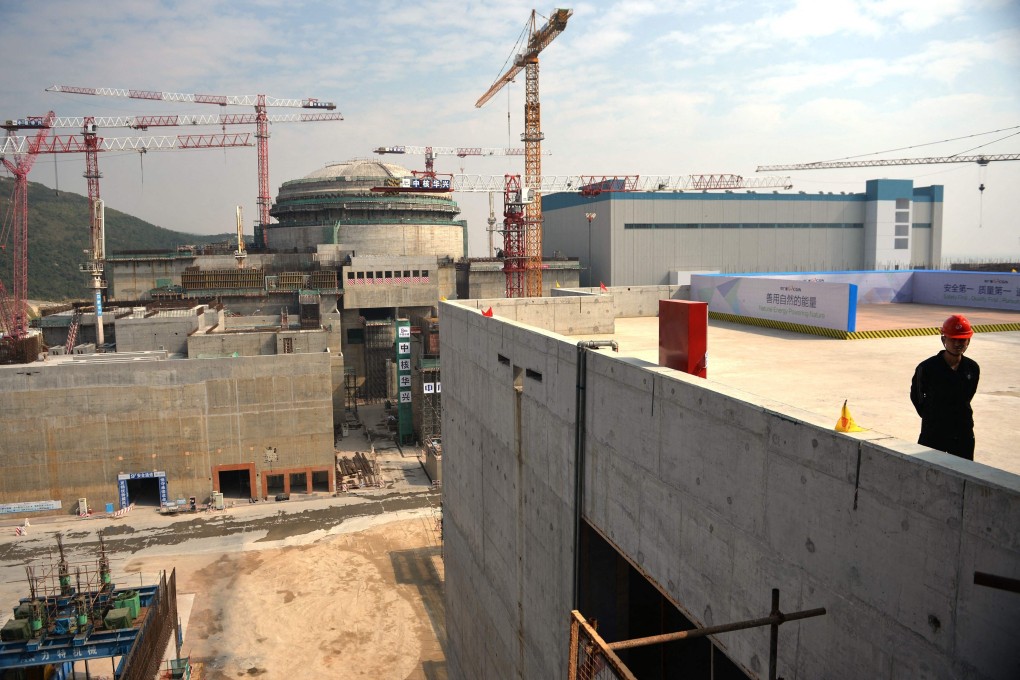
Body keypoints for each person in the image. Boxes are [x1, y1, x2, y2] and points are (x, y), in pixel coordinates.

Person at [910, 314, 980, 460]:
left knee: (963, 471)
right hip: (934, 431)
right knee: (928, 470)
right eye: (953, 339)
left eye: (962, 340)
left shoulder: (972, 368)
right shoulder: (927, 368)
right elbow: (916, 396)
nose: (957, 344)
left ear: (968, 341)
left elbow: (968, 395)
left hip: (962, 430)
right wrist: (931, 415)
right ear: (943, 339)